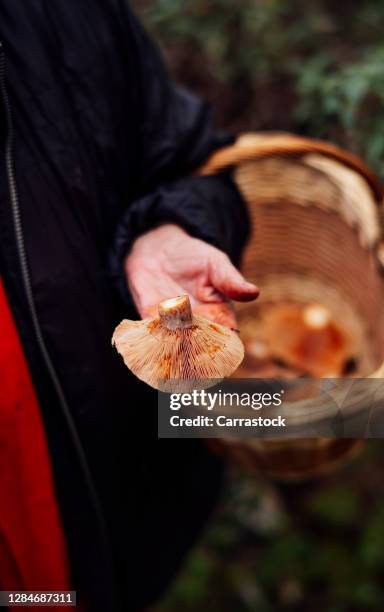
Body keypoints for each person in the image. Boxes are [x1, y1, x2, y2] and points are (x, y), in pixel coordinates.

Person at [0, 1, 259, 610]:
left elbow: (192, 162)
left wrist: (164, 227)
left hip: (110, 507)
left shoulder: (67, 14)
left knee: (354, 406)